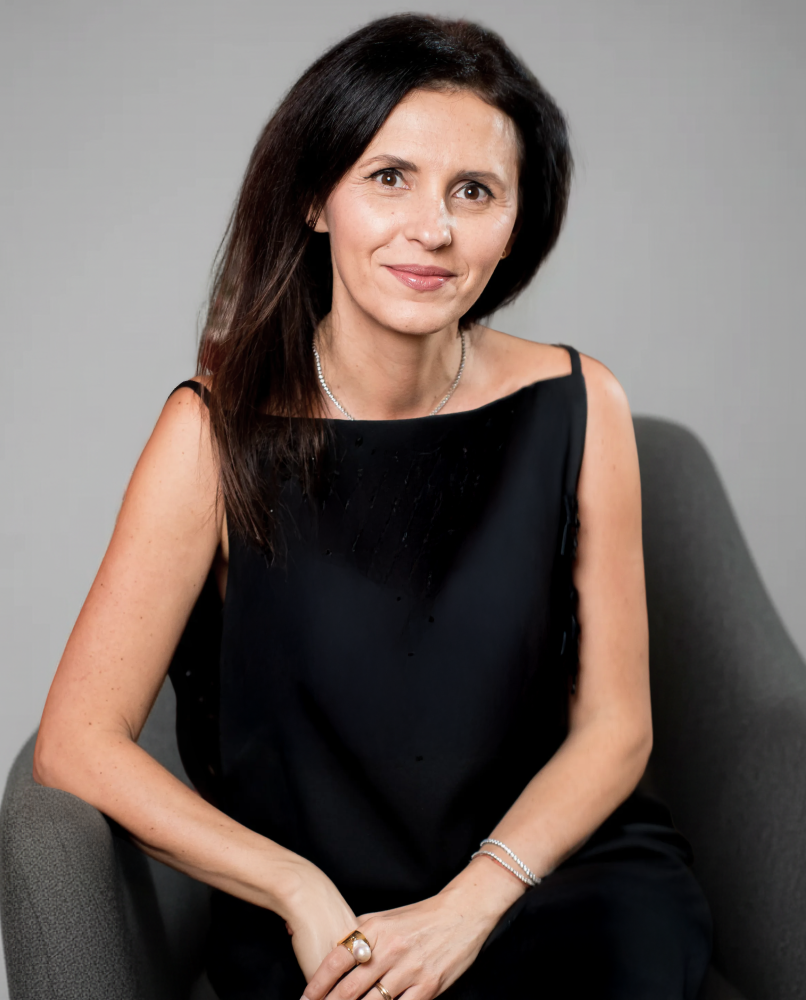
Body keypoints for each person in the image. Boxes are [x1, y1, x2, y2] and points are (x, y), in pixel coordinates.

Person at [33, 13, 713, 999]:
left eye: (473, 191)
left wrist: (471, 903)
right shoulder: (211, 433)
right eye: (389, 177)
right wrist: (293, 887)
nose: (432, 228)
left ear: (515, 221)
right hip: (327, 923)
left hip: (549, 885)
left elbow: (615, 727)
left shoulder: (579, 402)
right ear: (317, 197)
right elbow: (77, 740)